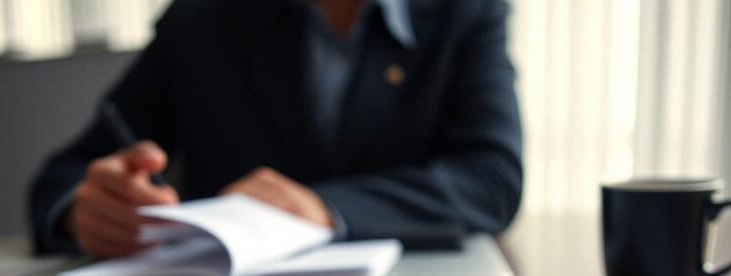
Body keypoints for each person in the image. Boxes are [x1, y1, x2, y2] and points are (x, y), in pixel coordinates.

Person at [29, 0, 522, 257]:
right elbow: (68, 171)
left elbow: (491, 179)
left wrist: (326, 209)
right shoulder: (202, 18)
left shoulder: (466, 11)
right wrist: (84, 210)